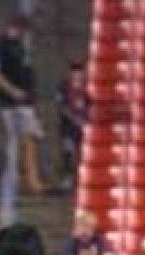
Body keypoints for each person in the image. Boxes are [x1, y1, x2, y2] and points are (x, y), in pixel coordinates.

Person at [0, 16, 47, 219]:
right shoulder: (0, 46)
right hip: (10, 103)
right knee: (16, 142)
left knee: (31, 138)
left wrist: (33, 98)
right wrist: (12, 91)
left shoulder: (21, 47)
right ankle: (15, 179)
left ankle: (32, 179)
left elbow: (28, 74)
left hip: (25, 101)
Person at [56, 61, 91, 189]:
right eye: (75, 73)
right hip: (67, 126)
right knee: (68, 151)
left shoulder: (86, 88)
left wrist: (85, 120)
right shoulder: (63, 86)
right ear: (70, 74)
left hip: (81, 126)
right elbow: (62, 107)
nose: (77, 75)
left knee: (80, 152)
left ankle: (81, 178)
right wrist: (74, 118)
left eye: (80, 73)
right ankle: (66, 178)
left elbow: (89, 105)